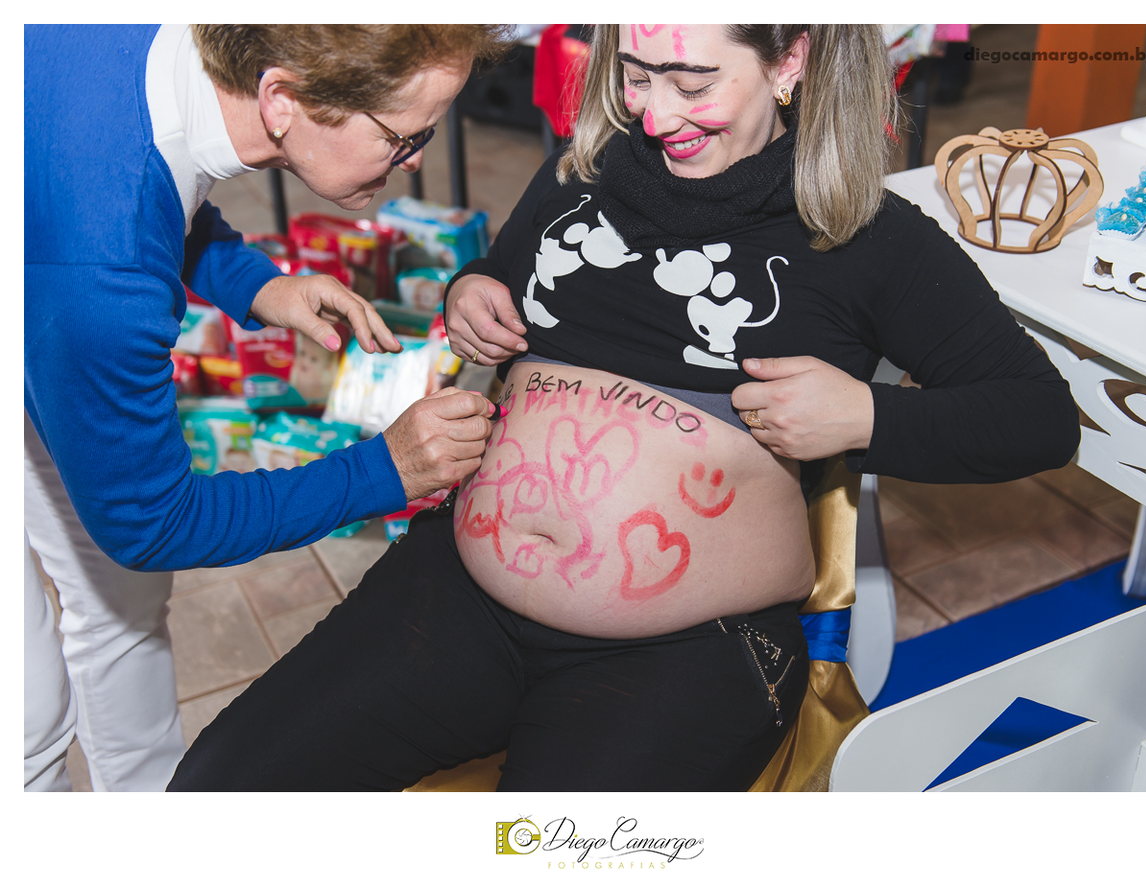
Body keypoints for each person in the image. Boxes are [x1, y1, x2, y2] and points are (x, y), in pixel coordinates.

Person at [168, 24, 1080, 791]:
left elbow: (1039, 417)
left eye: (693, 80)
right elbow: (502, 273)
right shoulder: (581, 170)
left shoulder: (866, 237)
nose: (656, 113)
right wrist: (472, 289)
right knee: (221, 790)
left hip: (685, 654)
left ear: (790, 60)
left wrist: (868, 419)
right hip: (459, 596)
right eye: (637, 76)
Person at [24, 24, 511, 791]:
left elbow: (162, 186)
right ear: (283, 99)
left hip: (49, 259)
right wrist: (382, 471)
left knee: (119, 605)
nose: (414, 161)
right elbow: (150, 524)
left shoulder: (172, 65)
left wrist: (256, 283)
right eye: (403, 137)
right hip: (54, 278)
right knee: (26, 709)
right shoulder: (103, 279)